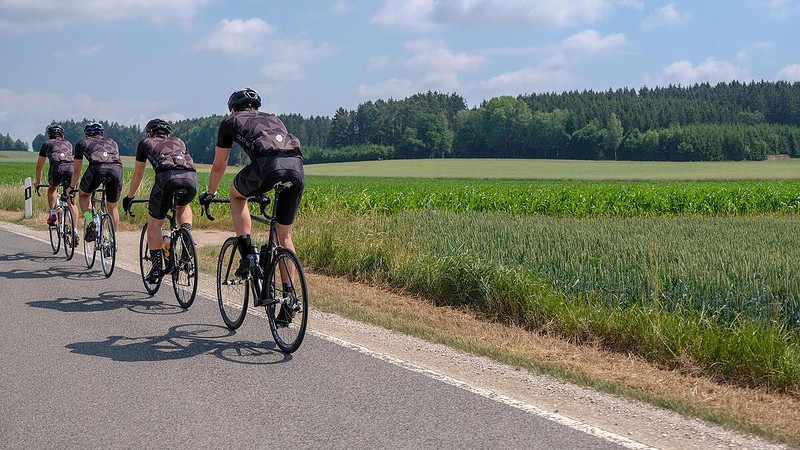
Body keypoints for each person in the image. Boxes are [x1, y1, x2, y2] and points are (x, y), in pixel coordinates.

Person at [198, 88, 305, 308]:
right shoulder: (274, 119)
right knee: (284, 236)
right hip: (296, 168)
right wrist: (264, 192)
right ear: (256, 107)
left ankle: (247, 253)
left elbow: (220, 165)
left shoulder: (230, 121)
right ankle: (288, 299)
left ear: (232, 108)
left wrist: (210, 193)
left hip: (267, 168)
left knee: (237, 196)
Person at [122, 118, 197, 283]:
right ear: (168, 133)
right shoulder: (179, 141)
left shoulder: (145, 142)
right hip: (191, 179)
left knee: (155, 224)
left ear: (150, 133)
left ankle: (156, 268)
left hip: (167, 179)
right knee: (183, 204)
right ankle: (186, 235)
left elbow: (138, 175)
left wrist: (130, 197)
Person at [69, 121, 123, 243]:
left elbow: (76, 171)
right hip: (117, 170)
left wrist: (71, 187)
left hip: (97, 169)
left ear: (86, 134)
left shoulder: (82, 143)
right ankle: (112, 241)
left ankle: (90, 220)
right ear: (101, 133)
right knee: (113, 206)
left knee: (83, 196)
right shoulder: (112, 142)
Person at [34, 124, 79, 243]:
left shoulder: (47, 144)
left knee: (52, 188)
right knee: (71, 201)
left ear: (49, 135)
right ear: (62, 135)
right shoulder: (68, 143)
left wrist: (37, 183)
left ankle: (53, 213)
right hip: (71, 169)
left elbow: (39, 167)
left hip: (56, 169)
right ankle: (75, 232)